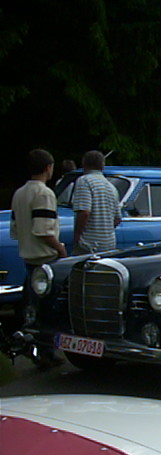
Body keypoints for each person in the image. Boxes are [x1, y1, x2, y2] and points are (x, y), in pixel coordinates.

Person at [10, 149, 66, 367]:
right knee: (48, 308)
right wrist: (60, 248)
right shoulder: (44, 194)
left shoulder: (19, 193)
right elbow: (43, 230)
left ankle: (33, 346)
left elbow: (15, 229)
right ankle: (46, 352)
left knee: (32, 306)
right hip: (45, 258)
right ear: (48, 168)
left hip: (27, 256)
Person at [72, 150, 120, 255]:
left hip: (88, 244)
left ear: (84, 163)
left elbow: (84, 212)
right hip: (109, 244)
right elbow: (117, 219)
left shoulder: (84, 181)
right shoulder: (111, 187)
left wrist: (77, 236)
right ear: (102, 166)